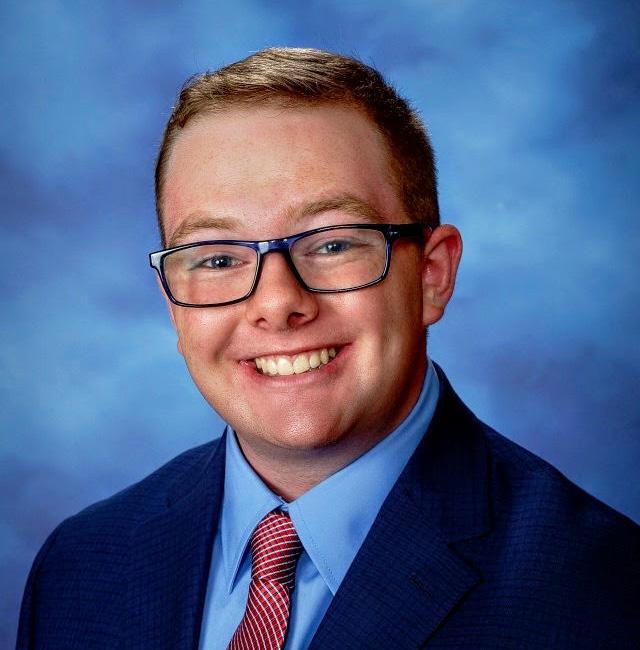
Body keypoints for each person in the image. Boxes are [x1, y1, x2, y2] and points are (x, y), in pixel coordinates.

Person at [17, 47, 639, 650]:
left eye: (333, 244)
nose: (276, 303)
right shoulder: (82, 567)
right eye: (217, 259)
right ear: (173, 303)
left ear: (432, 276)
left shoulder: (602, 596)